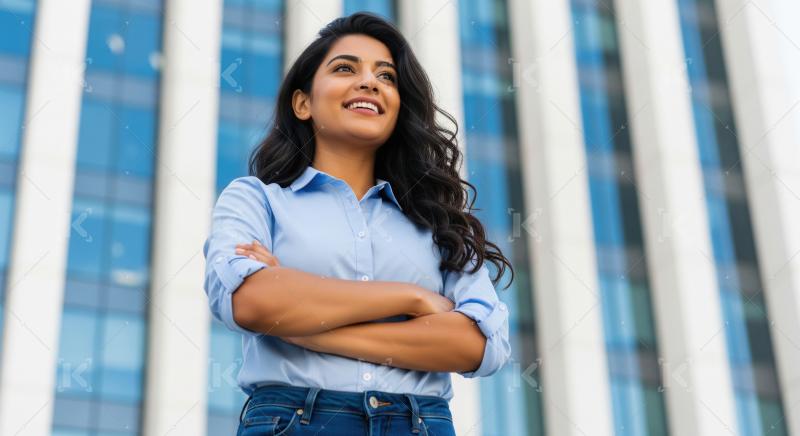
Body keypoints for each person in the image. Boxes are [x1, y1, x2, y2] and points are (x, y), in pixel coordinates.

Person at [203, 11, 514, 436]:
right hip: (294, 421)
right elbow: (252, 302)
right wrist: (410, 298)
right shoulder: (256, 199)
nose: (370, 82)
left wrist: (307, 328)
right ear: (303, 102)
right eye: (345, 68)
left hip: (418, 423)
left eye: (386, 76)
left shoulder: (439, 219)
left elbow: (478, 345)